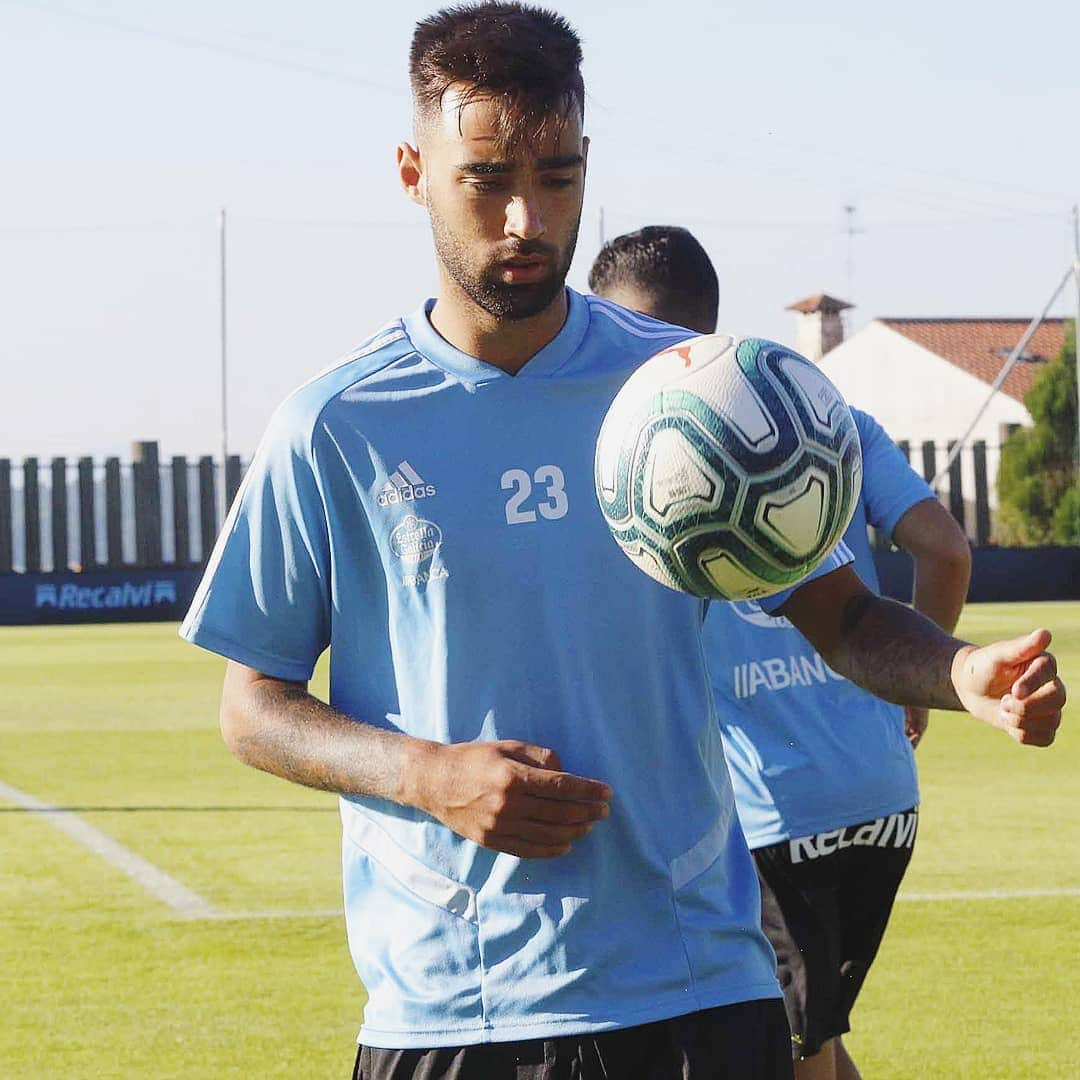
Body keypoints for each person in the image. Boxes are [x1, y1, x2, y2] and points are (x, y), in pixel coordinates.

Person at [180, 7, 1064, 1078]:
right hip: (453, 1009)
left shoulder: (688, 392)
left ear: (588, 163)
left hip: (696, 990)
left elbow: (848, 617)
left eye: (556, 177)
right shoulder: (336, 424)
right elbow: (253, 708)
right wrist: (424, 775)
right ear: (413, 171)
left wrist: (959, 670)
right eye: (486, 178)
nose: (525, 218)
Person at [590, 226, 972, 1080]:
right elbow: (946, 550)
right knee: (817, 1038)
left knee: (781, 1052)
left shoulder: (636, 464)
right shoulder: (826, 412)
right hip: (881, 798)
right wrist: (907, 688)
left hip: (763, 824)